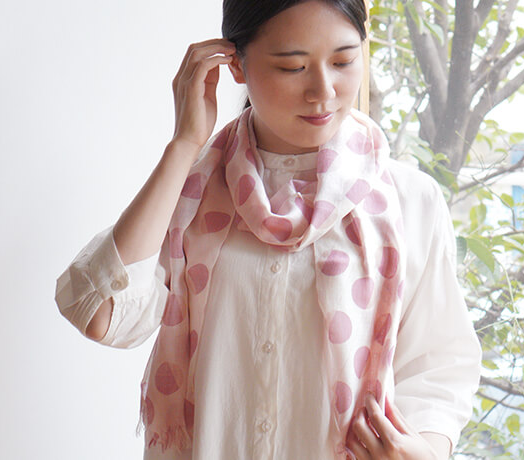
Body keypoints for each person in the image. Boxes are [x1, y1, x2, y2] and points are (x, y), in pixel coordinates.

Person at [54, 1, 482, 459]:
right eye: (293, 67)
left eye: (343, 61)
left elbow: (439, 365)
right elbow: (100, 314)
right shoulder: (188, 194)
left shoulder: (410, 201)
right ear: (237, 65)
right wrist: (183, 145)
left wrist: (423, 449)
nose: (323, 91)